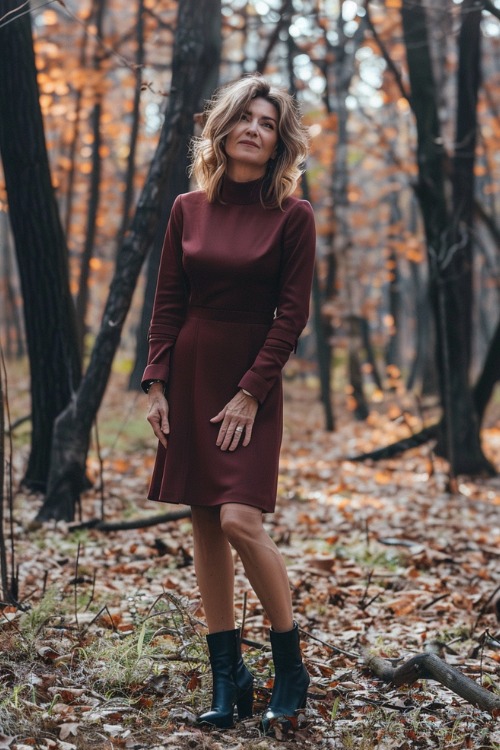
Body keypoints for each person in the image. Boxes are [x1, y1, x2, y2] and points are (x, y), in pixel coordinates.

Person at [142, 74, 316, 732]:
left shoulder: (293, 216)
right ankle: (228, 677)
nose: (253, 129)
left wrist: (250, 392)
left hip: (251, 381)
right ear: (223, 128)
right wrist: (155, 382)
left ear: (279, 141)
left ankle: (290, 668)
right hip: (189, 374)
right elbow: (167, 303)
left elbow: (290, 317)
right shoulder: (188, 207)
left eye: (267, 123)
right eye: (244, 117)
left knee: (242, 521)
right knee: (206, 527)